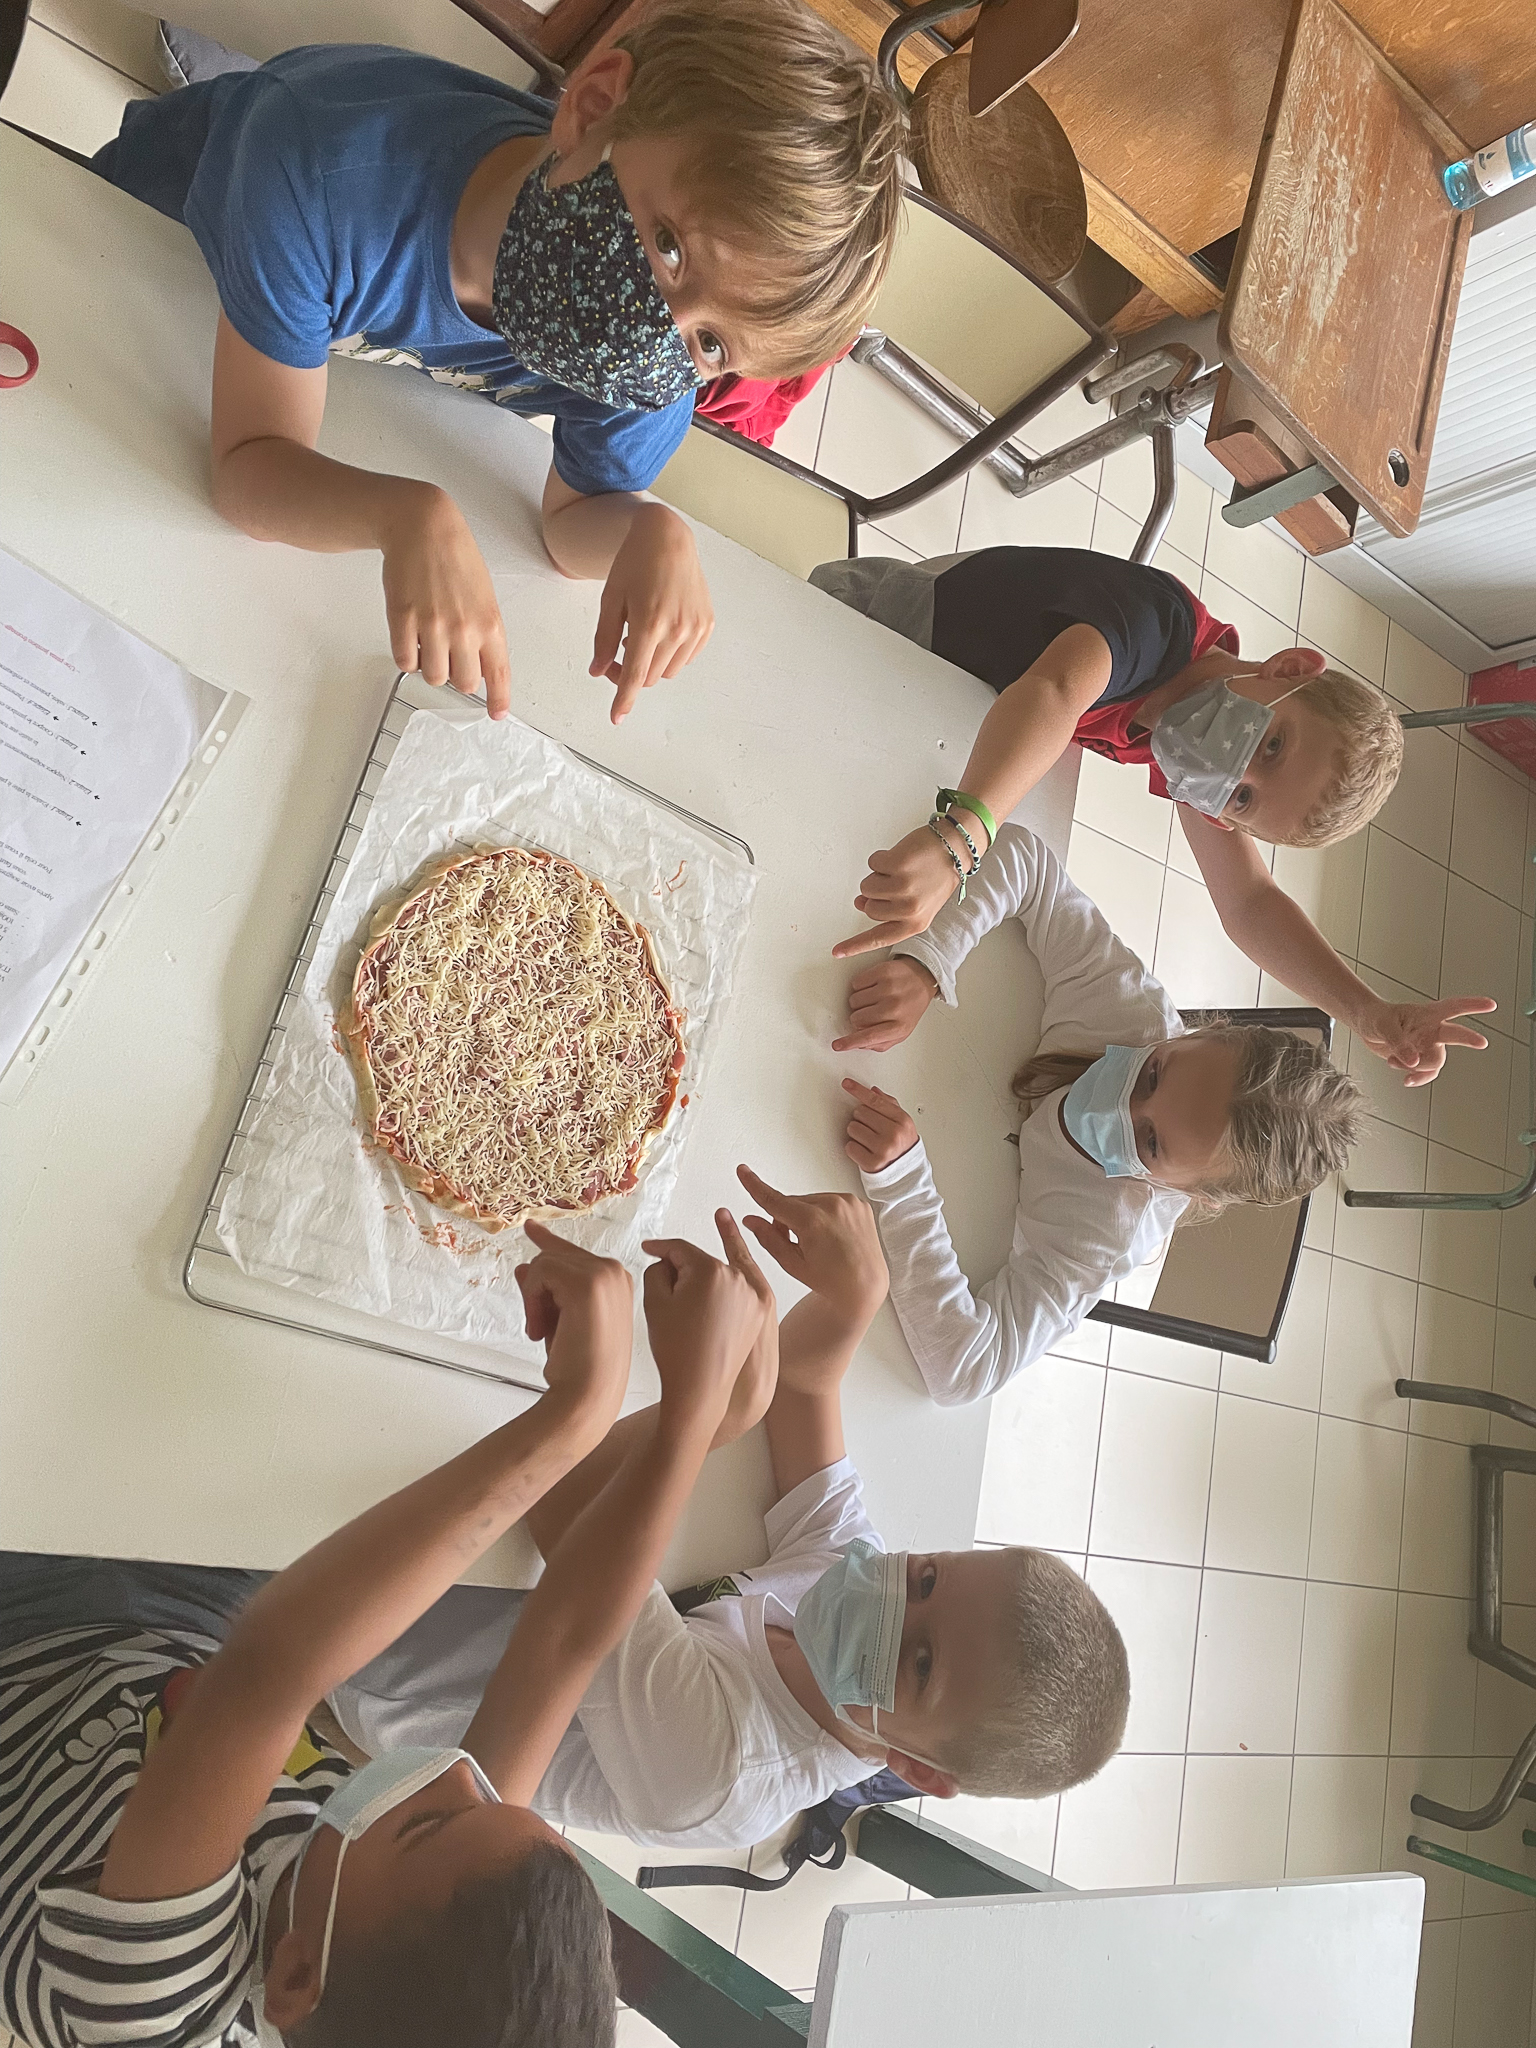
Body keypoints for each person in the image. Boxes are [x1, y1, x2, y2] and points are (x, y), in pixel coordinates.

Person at [0, 1217, 775, 2048]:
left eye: (429, 1822)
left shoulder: (148, 2013)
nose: (461, 1774)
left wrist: (576, 1414)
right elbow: (568, 1639)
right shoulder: (418, 1899)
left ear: (295, 1977)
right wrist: (696, 1417)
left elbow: (270, 1671)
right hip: (176, 1629)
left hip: (31, 1627)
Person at [92, 2, 905, 723]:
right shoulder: (317, 168)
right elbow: (247, 467)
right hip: (133, 258)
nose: (653, 335)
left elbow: (570, 521)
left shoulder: (649, 380)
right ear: (592, 109)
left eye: (712, 345)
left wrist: (647, 532)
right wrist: (401, 515)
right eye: (669, 248)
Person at [324, 1174, 1131, 1849]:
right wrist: (855, 1298)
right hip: (458, 1571)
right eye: (926, 1577)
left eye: (918, 1663)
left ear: (917, 1771)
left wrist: (708, 1412)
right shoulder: (853, 1583)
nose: (893, 1605)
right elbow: (806, 1384)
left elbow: (567, 1522)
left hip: (366, 1662)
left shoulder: (725, 1770)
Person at [811, 545, 1495, 1087]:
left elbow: (1250, 902)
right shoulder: (1157, 625)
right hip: (877, 623)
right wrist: (960, 839)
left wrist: (1364, 1010)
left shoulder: (1187, 753)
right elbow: (1056, 690)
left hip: (931, 704)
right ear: (1288, 669)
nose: (1235, 769)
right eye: (1272, 744)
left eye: (1243, 799)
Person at [835, 823, 1365, 1405]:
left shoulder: (1104, 1234)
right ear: (1194, 1034)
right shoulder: (1132, 1010)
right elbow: (1025, 860)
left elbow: (965, 1370)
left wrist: (904, 1187)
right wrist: (930, 962)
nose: (1120, 1103)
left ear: (1193, 1196)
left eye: (1151, 1142)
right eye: (1155, 1073)